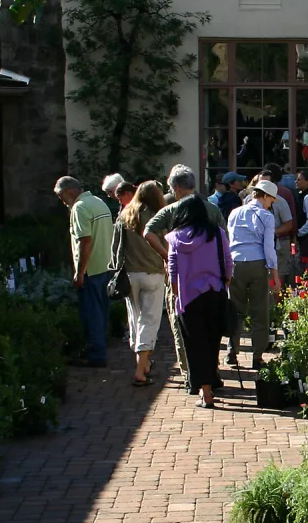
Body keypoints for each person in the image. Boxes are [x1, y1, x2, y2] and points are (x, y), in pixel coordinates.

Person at [145, 165, 225, 377]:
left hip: (181, 277)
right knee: (210, 326)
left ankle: (189, 373)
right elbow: (224, 239)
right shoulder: (212, 209)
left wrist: (166, 255)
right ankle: (210, 369)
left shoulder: (171, 210)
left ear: (177, 188)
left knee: (182, 326)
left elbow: (148, 232)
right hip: (211, 277)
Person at [167, 195, 233, 408]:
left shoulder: (175, 237)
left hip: (188, 297)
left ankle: (205, 392)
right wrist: (225, 282)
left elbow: (172, 269)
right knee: (213, 341)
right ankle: (212, 380)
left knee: (194, 345)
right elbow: (228, 261)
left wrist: (177, 294)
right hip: (215, 291)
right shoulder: (217, 233)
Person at [54, 176, 114, 368]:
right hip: (106, 266)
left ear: (68, 191)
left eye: (61, 196)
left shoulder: (79, 208)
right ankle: (99, 348)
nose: (62, 201)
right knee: (101, 311)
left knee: (91, 313)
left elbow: (85, 241)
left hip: (92, 269)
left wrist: (80, 273)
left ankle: (96, 354)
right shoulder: (99, 202)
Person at [112, 181, 168, 385]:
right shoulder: (159, 216)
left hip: (130, 274)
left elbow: (115, 247)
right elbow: (167, 243)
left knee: (135, 319)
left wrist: (116, 268)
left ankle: (143, 364)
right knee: (149, 320)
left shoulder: (125, 214)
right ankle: (140, 370)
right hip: (153, 272)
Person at [226, 179, 281, 364]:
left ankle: (231, 352)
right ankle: (257, 356)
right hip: (257, 263)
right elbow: (268, 247)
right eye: (271, 200)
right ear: (264, 196)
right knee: (259, 311)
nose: (271, 204)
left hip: (235, 263)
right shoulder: (266, 216)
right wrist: (275, 274)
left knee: (235, 310)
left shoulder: (234, 213)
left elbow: (230, 239)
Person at [260, 163, 297, 284]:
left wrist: (271, 232)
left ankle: (277, 297)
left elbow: (290, 222)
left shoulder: (281, 199)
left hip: (279, 241)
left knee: (277, 277)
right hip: (258, 244)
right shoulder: (249, 200)